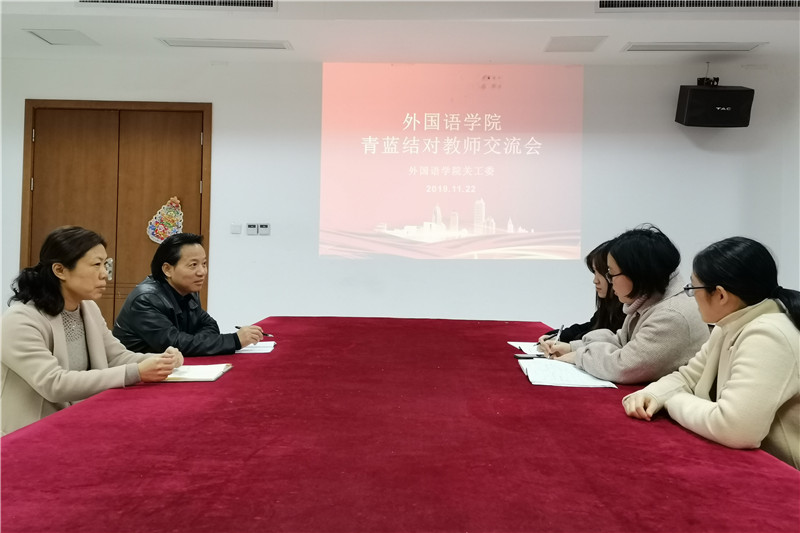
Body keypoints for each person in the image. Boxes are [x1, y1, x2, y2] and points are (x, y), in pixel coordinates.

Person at [622, 237, 799, 468]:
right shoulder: (730, 324)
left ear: (721, 295)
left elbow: (737, 428)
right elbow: (688, 376)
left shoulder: (768, 335)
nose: (691, 295)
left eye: (693, 288)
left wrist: (672, 400)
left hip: (786, 474)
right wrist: (654, 394)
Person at [1, 226, 182, 435]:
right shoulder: (20, 320)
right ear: (60, 270)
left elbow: (116, 357)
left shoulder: (88, 308)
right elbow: (54, 384)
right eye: (96, 264)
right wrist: (137, 372)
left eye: (106, 264)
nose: (105, 274)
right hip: (30, 434)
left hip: (80, 422)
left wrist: (161, 361)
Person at [541, 225, 709, 384]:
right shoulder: (648, 299)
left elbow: (624, 366)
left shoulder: (671, 315)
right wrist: (572, 347)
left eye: (611, 273)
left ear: (636, 273)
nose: (609, 280)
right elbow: (622, 340)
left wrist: (579, 356)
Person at [113, 232, 263, 356]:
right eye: (193, 265)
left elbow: (210, 325)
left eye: (204, 264)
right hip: (137, 374)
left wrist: (191, 342)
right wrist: (234, 340)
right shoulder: (145, 299)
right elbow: (174, 344)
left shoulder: (188, 291)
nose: (202, 272)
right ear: (167, 269)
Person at [538, 239, 625, 344]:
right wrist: (556, 336)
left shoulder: (628, 312)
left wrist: (568, 345)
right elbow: (590, 327)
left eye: (601, 273)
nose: (595, 281)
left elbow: (598, 339)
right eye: (594, 272)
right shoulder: (608, 307)